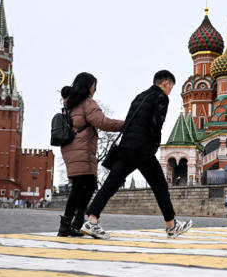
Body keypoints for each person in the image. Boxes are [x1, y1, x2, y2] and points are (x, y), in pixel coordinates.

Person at [82, 70, 192, 239]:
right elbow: (156, 124)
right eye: (171, 87)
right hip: (142, 147)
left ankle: (92, 220)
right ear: (165, 84)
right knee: (160, 185)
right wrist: (154, 146)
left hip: (126, 146)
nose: (170, 91)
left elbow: (129, 121)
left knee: (111, 183)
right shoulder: (161, 97)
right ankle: (171, 225)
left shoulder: (139, 96)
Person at [57, 72, 124, 237]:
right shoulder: (87, 103)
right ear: (88, 85)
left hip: (70, 148)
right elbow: (102, 122)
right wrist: (126, 124)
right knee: (82, 187)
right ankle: (70, 225)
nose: (96, 89)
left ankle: (72, 224)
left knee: (85, 186)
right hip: (81, 149)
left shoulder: (69, 103)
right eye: (94, 85)